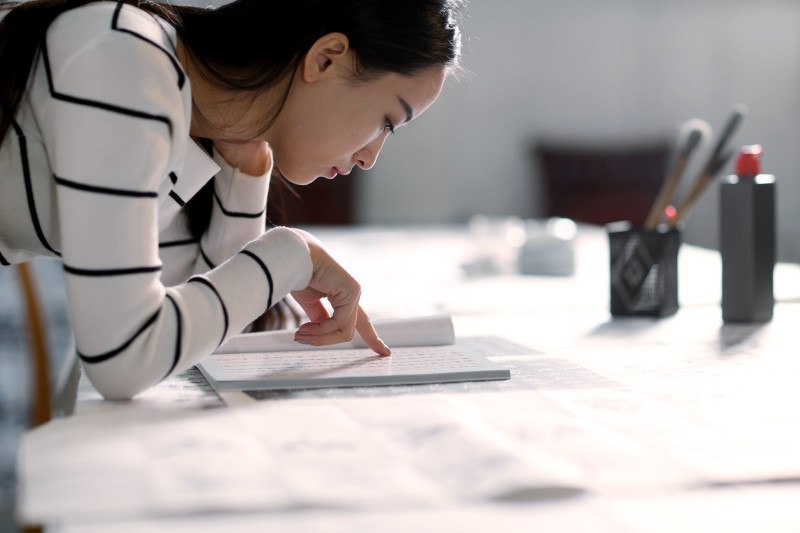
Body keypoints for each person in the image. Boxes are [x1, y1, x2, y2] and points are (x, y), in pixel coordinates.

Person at [0, 0, 463, 400]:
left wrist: (245, 172)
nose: (370, 158)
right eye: (387, 121)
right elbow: (124, 358)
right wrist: (288, 256)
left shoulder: (191, 118)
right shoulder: (128, 65)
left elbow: (199, 329)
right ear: (325, 59)